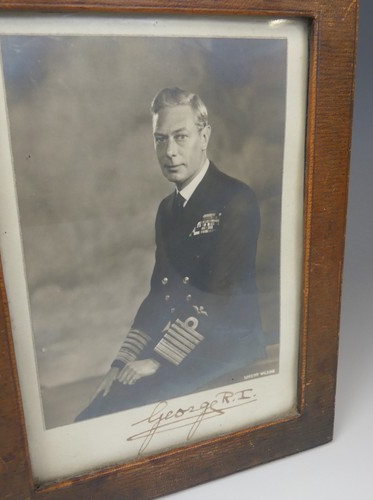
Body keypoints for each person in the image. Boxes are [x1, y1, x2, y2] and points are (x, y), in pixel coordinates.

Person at [75, 87, 265, 421]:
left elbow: (219, 295)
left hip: (225, 348)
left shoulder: (236, 198)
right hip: (184, 342)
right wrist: (119, 363)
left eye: (181, 137)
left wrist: (158, 359)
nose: (170, 151)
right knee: (98, 408)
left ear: (204, 136)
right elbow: (160, 294)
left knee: (126, 412)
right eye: (160, 139)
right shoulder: (168, 209)